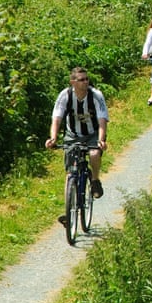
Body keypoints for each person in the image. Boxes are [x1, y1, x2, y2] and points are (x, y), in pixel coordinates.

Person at [46, 67, 108, 204]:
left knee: (94, 154)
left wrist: (101, 140)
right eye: (81, 80)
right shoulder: (65, 95)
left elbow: (102, 120)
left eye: (87, 79)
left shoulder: (96, 95)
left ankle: (95, 180)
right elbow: (56, 119)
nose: (86, 82)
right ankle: (69, 207)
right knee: (70, 172)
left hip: (93, 133)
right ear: (73, 82)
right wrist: (53, 138)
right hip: (72, 134)